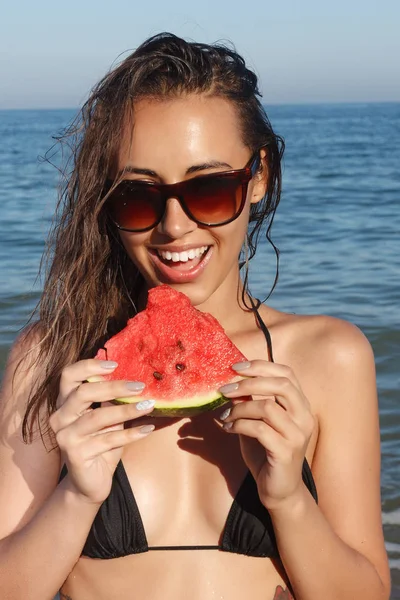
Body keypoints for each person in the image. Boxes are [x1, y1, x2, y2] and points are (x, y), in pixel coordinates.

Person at [0, 32, 391, 600]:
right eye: (137, 195)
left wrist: (287, 499)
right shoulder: (54, 358)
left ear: (257, 176)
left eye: (208, 189)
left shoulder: (331, 356)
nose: (174, 226)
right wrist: (77, 496)